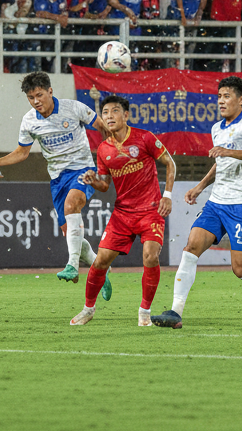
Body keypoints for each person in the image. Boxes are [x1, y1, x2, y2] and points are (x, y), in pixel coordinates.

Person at [152, 76, 242, 330]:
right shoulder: (217, 128)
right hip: (216, 202)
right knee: (191, 248)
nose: (221, 101)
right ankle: (176, 311)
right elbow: (221, 163)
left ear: (241, 100)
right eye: (219, 96)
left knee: (241, 269)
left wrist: (227, 151)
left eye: (226, 96)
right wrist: (200, 186)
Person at [0, 72, 110, 289]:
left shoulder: (73, 107)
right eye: (31, 98)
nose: (36, 101)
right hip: (57, 179)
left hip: (83, 170)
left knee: (72, 204)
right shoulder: (29, 121)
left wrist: (110, 156)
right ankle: (100, 269)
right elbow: (22, 152)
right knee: (70, 234)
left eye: (39, 95)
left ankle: (72, 264)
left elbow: (104, 128)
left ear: (50, 91)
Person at [69, 95, 176, 327]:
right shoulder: (103, 149)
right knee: (100, 262)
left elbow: (170, 163)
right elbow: (105, 185)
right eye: (105, 112)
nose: (109, 116)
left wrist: (167, 195)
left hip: (150, 211)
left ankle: (144, 312)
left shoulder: (145, 138)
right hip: (123, 214)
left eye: (114, 111)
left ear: (125, 115)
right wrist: (93, 180)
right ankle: (88, 309)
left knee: (150, 256)